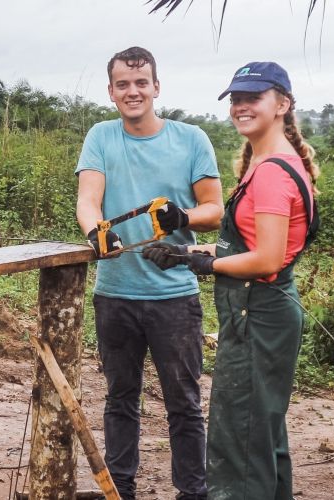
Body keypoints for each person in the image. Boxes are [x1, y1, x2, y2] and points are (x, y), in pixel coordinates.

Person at [143, 61, 320, 500]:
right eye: (236, 99)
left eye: (252, 98)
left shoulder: (275, 172)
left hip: (258, 313)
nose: (241, 107)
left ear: (283, 104)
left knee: (239, 441)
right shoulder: (266, 161)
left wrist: (207, 266)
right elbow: (247, 246)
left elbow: (266, 259)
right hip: (263, 311)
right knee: (261, 437)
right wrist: (188, 253)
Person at [75, 46, 224, 500]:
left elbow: (215, 209)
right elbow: (89, 198)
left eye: (141, 83)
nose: (132, 91)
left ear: (157, 87)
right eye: (123, 84)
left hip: (174, 297)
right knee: (121, 398)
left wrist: (182, 218)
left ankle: (192, 492)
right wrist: (96, 232)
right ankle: (119, 489)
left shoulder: (192, 138)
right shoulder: (101, 136)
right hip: (115, 293)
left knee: (184, 403)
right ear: (111, 91)